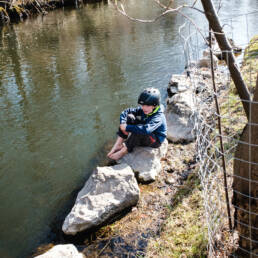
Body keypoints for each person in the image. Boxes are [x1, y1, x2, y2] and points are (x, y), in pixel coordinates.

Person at [107, 88, 167, 160]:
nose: (144, 108)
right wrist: (123, 123)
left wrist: (127, 128)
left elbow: (146, 130)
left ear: (155, 105)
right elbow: (126, 111)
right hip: (146, 128)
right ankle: (119, 143)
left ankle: (124, 150)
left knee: (139, 130)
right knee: (129, 117)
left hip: (155, 140)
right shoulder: (145, 110)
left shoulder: (158, 117)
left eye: (147, 106)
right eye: (142, 105)